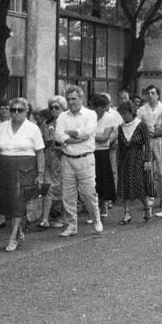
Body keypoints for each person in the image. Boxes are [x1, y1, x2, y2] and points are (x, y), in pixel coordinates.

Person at [0, 97, 44, 252]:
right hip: (5, 167)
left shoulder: (32, 128)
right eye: (12, 109)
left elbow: (40, 152)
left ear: (26, 111)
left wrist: (40, 173)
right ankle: (19, 232)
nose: (15, 113)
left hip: (25, 168)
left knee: (18, 201)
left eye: (19, 110)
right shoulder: (3, 126)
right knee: (8, 201)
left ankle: (13, 236)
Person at [53, 86, 102, 237]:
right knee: (68, 195)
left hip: (85, 158)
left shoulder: (90, 114)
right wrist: (76, 137)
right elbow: (58, 137)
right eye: (68, 99)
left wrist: (68, 136)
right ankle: (71, 225)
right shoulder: (62, 117)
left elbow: (87, 133)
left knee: (88, 193)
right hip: (67, 159)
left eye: (74, 98)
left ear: (81, 99)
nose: (71, 102)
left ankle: (96, 219)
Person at [114, 101, 151, 223]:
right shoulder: (120, 127)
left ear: (131, 112)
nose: (123, 116)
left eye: (125, 114)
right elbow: (120, 146)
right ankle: (127, 213)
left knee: (139, 185)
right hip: (125, 160)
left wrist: (147, 160)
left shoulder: (141, 125)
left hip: (138, 159)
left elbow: (147, 144)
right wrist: (118, 161)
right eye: (121, 114)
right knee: (125, 186)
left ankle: (147, 208)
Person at [36, 97, 66, 230]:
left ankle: (62, 217)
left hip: (62, 159)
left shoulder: (67, 122)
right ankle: (45, 219)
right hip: (49, 159)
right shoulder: (46, 123)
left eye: (57, 107)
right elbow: (42, 142)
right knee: (47, 188)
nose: (54, 110)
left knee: (62, 189)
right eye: (51, 107)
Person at [90, 94, 120, 218]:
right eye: (97, 108)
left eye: (103, 108)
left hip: (102, 152)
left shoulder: (109, 118)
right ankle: (92, 208)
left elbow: (104, 138)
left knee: (102, 181)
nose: (100, 111)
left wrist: (88, 135)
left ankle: (103, 206)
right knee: (91, 181)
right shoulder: (89, 116)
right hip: (90, 151)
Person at [137, 86, 162, 212]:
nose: (150, 95)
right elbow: (138, 124)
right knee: (149, 170)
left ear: (158, 95)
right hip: (147, 141)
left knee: (161, 171)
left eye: (153, 93)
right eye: (148, 93)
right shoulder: (142, 109)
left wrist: (159, 132)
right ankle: (151, 197)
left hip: (160, 140)